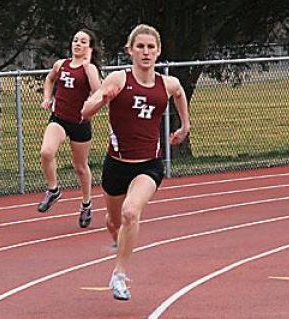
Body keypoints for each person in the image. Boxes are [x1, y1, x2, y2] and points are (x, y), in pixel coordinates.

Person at [81, 24, 190, 300]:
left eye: (151, 47)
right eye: (140, 47)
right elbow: (85, 111)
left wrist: (185, 125)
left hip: (148, 165)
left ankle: (119, 275)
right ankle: (119, 239)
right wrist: (103, 99)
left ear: (159, 51)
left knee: (131, 212)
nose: (145, 52)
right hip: (116, 165)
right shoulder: (118, 79)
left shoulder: (167, 84)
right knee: (114, 222)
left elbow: (179, 94)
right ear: (130, 50)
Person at [37, 29, 101, 228]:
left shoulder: (89, 69)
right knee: (46, 152)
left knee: (80, 167)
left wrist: (90, 105)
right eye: (75, 40)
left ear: (89, 47)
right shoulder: (61, 65)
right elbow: (49, 79)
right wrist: (48, 98)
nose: (77, 44)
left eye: (83, 41)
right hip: (59, 119)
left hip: (80, 123)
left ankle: (86, 204)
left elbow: (98, 93)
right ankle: (53, 189)